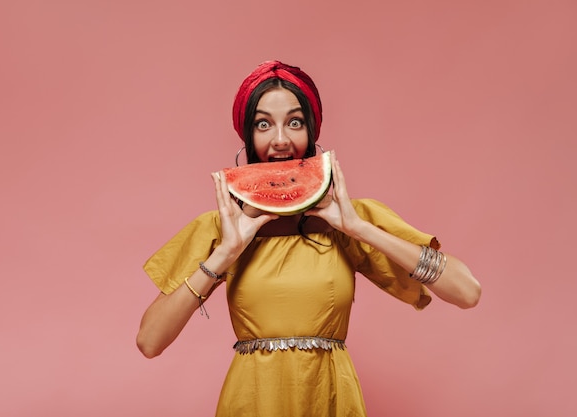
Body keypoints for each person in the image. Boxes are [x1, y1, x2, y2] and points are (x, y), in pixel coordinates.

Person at [136, 60, 481, 416]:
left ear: (312, 132)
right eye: (263, 124)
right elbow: (149, 341)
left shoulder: (350, 220)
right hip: (253, 401)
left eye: (295, 122)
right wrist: (224, 254)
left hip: (329, 398)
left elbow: (467, 292)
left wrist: (359, 228)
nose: (281, 139)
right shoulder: (220, 228)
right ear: (248, 136)